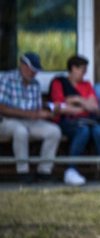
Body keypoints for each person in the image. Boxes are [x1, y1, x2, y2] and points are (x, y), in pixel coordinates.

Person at [49, 54, 100, 186]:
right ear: (73, 68)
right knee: (83, 131)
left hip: (88, 121)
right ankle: (71, 170)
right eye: (82, 70)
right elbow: (60, 109)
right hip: (66, 122)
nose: (84, 73)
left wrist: (76, 100)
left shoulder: (86, 84)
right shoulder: (58, 82)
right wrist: (84, 106)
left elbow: (94, 107)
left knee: (98, 130)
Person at [0, 52, 62, 184]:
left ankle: (44, 172)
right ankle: (23, 172)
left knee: (54, 131)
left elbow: (37, 110)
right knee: (20, 131)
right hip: (6, 121)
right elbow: (2, 108)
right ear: (22, 65)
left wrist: (51, 113)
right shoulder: (6, 79)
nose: (33, 73)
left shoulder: (35, 84)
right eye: (31, 69)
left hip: (30, 121)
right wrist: (29, 114)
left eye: (36, 70)